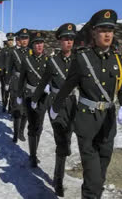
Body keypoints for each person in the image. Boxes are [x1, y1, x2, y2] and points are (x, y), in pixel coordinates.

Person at [50, 9, 122, 198]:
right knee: (93, 179)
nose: (107, 34)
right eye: (103, 29)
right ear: (94, 33)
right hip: (87, 123)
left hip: (108, 124)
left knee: (99, 176)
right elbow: (67, 86)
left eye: (110, 29)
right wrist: (55, 107)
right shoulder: (82, 58)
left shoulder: (119, 60)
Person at [31, 23, 77, 196]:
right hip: (56, 104)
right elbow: (43, 82)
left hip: (72, 103)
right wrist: (35, 99)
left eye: (72, 39)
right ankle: (59, 180)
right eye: (66, 39)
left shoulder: (78, 60)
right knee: (61, 140)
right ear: (59, 41)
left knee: (67, 138)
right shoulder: (53, 62)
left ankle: (59, 172)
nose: (69, 42)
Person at [17, 31, 49, 167]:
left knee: (40, 126)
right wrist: (19, 95)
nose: (39, 46)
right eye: (36, 43)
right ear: (32, 46)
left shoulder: (48, 60)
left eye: (41, 43)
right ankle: (32, 155)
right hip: (30, 97)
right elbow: (22, 79)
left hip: (43, 97)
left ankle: (34, 150)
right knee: (32, 125)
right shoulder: (27, 61)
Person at [5, 30, 28, 143]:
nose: (24, 40)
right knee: (17, 110)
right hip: (16, 83)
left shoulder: (31, 52)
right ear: (19, 40)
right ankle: (15, 133)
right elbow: (9, 68)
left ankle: (21, 132)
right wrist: (6, 82)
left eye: (26, 38)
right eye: (22, 38)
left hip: (28, 84)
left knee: (26, 111)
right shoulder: (14, 53)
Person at [1, 33, 15, 113]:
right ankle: (4, 105)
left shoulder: (16, 50)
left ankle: (10, 108)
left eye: (11, 40)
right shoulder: (4, 50)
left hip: (13, 75)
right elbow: (1, 61)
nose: (10, 42)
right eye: (9, 40)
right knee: (5, 91)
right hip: (5, 74)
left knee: (12, 92)